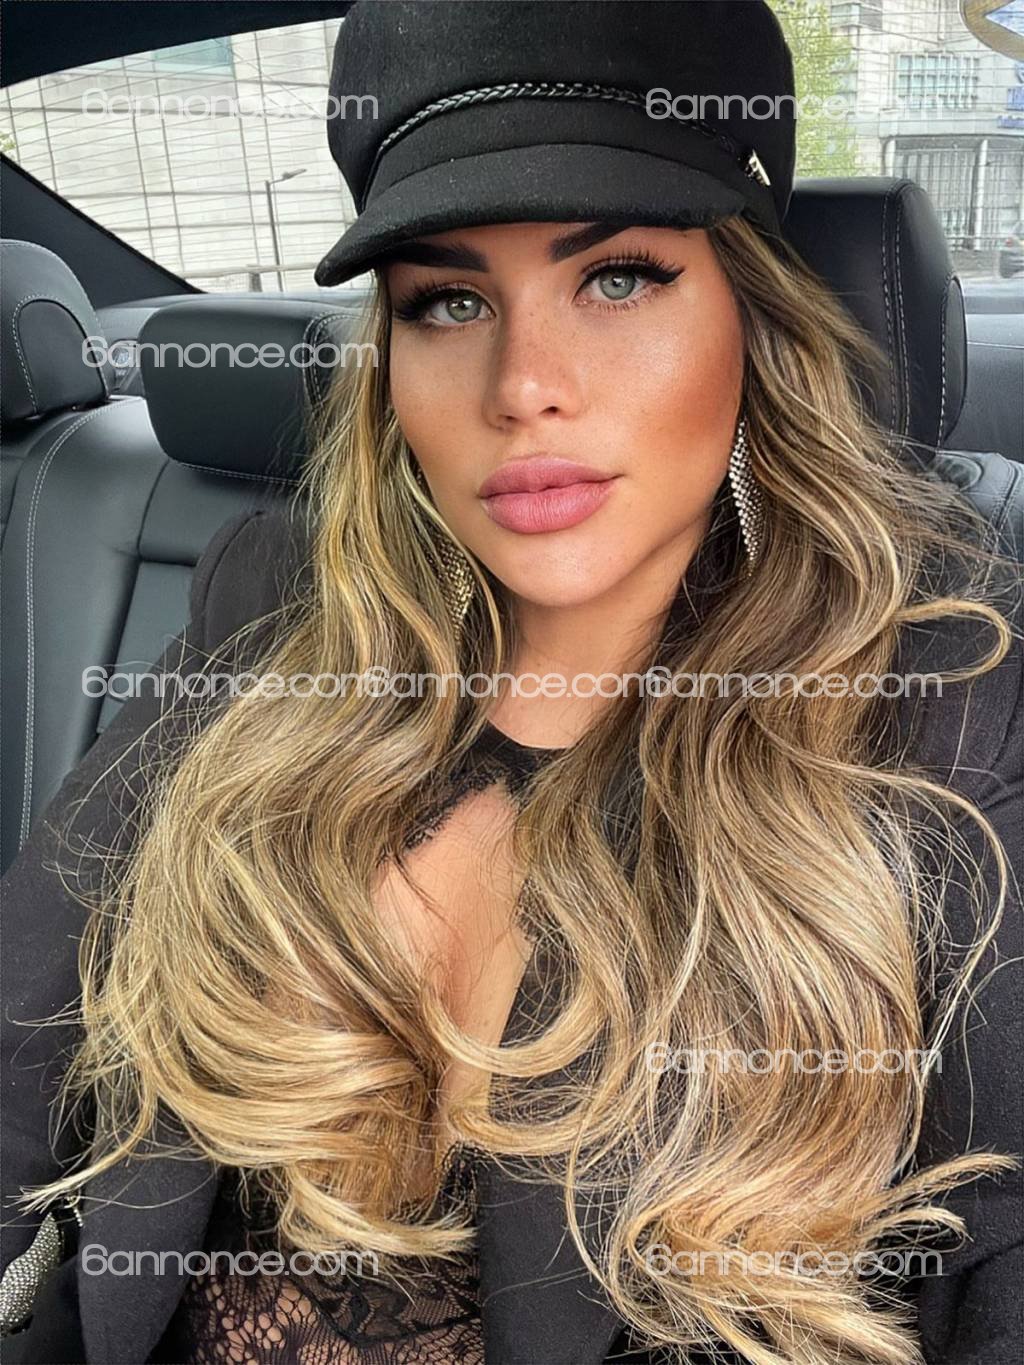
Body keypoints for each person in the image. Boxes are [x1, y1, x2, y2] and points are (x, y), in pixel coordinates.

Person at [2, 3, 1021, 1363]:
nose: (523, 385)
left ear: (754, 320)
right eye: (449, 301)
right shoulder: (272, 617)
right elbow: (21, 1022)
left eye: (619, 279)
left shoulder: (950, 692)